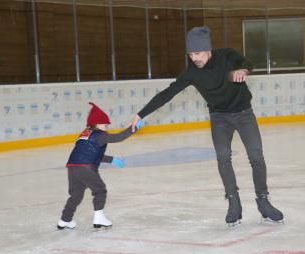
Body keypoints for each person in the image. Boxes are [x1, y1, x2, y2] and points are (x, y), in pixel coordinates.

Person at [128, 26, 283, 227]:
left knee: (256, 156)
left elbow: (247, 62)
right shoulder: (191, 72)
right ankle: (233, 202)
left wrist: (242, 70)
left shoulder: (227, 56)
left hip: (244, 114)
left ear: (208, 49)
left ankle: (263, 201)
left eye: (198, 53)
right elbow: (168, 93)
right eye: (191, 54)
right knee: (223, 156)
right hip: (219, 118)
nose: (194, 58)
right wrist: (141, 114)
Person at [57, 102, 143, 230]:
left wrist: (111, 159)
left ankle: (64, 220)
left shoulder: (85, 134)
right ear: (97, 124)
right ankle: (99, 218)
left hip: (73, 166)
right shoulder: (100, 135)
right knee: (100, 190)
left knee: (76, 195)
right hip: (86, 167)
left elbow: (91, 154)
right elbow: (118, 137)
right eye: (105, 125)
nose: (107, 128)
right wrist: (134, 128)